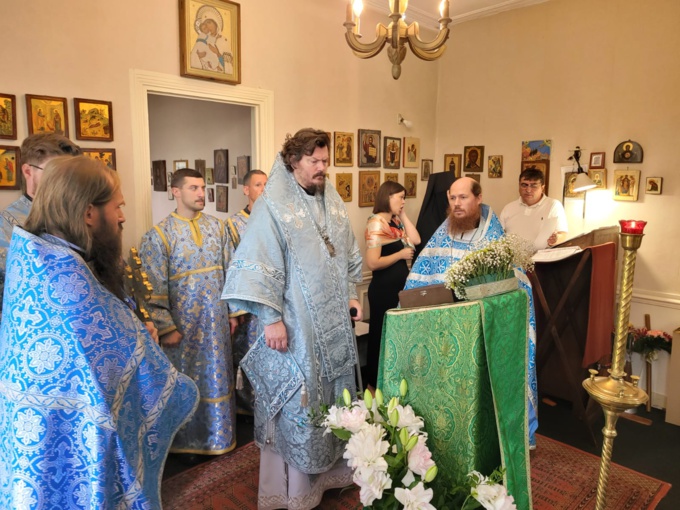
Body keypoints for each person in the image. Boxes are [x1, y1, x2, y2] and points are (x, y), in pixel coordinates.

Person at [0, 155, 198, 508]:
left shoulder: (35, 256)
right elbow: (125, 362)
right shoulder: (70, 285)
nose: (123, 217)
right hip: (71, 439)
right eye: (118, 206)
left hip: (33, 441)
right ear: (89, 212)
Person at [222, 128, 363, 509]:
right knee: (300, 403)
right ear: (293, 161)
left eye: (325, 160)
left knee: (336, 395)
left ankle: (334, 476)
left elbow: (347, 248)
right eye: (314, 161)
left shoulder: (330, 197)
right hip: (296, 326)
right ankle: (296, 490)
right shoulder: (272, 205)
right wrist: (271, 319)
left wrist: (352, 293)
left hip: (334, 325)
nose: (323, 167)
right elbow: (258, 263)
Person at [404, 176, 538, 448]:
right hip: (447, 328)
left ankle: (489, 438)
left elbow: (517, 288)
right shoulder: (443, 233)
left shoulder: (494, 240)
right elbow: (420, 277)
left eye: (463, 197)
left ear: (478, 198)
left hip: (482, 330)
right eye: (452, 198)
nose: (456, 204)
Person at [140, 168, 235, 457]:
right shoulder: (159, 235)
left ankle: (219, 437)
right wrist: (166, 326)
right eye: (193, 188)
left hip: (216, 323)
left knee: (218, 375)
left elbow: (233, 271)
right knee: (187, 379)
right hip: (184, 328)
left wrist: (233, 313)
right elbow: (152, 285)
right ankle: (186, 444)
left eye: (202, 187)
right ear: (175, 191)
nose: (200, 193)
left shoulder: (219, 228)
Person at [0, 133, 81, 319]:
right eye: (55, 173)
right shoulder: (5, 227)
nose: (64, 182)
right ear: (28, 171)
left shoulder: (83, 217)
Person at [364, 181, 420, 388]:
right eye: (400, 197)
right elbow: (372, 262)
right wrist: (400, 255)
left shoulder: (396, 222)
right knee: (380, 335)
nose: (403, 201)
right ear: (388, 197)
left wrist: (403, 215)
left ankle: (390, 380)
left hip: (398, 288)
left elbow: (416, 238)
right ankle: (373, 384)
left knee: (395, 336)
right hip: (383, 289)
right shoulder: (376, 223)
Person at [225, 169, 268, 415]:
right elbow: (231, 265)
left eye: (266, 184)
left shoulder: (275, 220)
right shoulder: (233, 224)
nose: (263, 189)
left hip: (271, 298)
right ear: (246, 189)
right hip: (248, 301)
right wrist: (235, 308)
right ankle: (247, 407)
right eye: (258, 184)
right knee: (248, 352)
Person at [500, 168, 568, 251]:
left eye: (534, 186)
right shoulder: (508, 208)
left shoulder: (553, 205)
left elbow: (563, 234)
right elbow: (499, 235)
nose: (528, 190)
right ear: (519, 185)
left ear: (542, 187)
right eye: (524, 185)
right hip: (512, 260)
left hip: (542, 260)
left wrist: (556, 239)